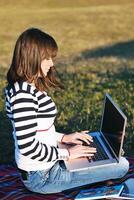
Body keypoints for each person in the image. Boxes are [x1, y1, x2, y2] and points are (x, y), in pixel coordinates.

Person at [5, 28, 129, 194]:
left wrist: (64, 138)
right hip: (43, 177)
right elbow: (28, 146)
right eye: (47, 58)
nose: (52, 63)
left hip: (47, 165)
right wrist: (67, 153)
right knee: (122, 165)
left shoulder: (28, 86)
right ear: (32, 57)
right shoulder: (22, 96)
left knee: (110, 157)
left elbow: (39, 131)